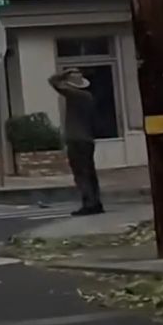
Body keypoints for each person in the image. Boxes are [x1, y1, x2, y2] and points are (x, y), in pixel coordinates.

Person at [49, 69, 103, 216]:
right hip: (87, 139)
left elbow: (52, 81)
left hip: (76, 139)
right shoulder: (89, 97)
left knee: (80, 173)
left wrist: (64, 73)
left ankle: (89, 203)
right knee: (90, 172)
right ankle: (96, 202)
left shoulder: (75, 95)